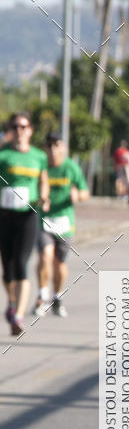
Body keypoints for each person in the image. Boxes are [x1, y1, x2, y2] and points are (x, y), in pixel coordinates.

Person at [0, 112, 49, 335]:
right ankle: (11, 303)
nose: (19, 130)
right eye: (16, 127)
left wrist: (45, 198)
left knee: (22, 262)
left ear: (30, 130)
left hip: (28, 214)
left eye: (23, 126)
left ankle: (18, 316)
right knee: (8, 266)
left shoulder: (38, 156)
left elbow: (44, 181)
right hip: (5, 214)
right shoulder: (4, 154)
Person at [33, 133, 89, 318]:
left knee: (59, 263)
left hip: (65, 223)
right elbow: (32, 190)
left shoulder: (71, 168)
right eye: (49, 146)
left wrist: (77, 196)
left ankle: (57, 297)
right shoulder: (41, 166)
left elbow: (84, 192)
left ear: (63, 147)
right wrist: (40, 200)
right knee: (45, 256)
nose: (53, 149)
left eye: (56, 145)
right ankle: (42, 296)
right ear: (45, 148)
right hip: (44, 221)